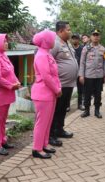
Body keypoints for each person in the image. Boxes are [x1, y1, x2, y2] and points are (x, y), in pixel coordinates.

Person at [0, 33, 21, 156]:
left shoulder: (3, 55)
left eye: (6, 41)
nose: (7, 43)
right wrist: (11, 85)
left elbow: (10, 71)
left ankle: (2, 140)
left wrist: (16, 81)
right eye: (4, 41)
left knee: (3, 119)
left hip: (6, 93)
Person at [31, 30, 62, 159]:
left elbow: (53, 74)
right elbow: (46, 76)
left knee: (47, 121)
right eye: (53, 39)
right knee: (42, 122)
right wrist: (57, 89)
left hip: (49, 93)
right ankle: (37, 149)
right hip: (43, 93)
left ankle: (44, 144)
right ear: (47, 41)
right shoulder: (41, 55)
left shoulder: (46, 54)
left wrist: (56, 88)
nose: (54, 41)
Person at [49, 21, 78, 147]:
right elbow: (47, 61)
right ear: (61, 31)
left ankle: (60, 129)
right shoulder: (54, 43)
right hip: (60, 84)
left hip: (69, 84)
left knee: (63, 109)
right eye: (68, 29)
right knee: (56, 110)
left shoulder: (67, 43)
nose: (70, 32)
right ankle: (51, 135)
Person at [79, 29, 105, 119]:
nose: (95, 37)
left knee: (98, 94)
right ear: (91, 37)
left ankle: (97, 110)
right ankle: (87, 110)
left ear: (99, 37)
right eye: (94, 35)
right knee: (87, 94)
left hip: (99, 76)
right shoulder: (86, 48)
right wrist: (81, 75)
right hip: (88, 75)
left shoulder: (103, 49)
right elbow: (82, 62)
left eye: (97, 35)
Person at [71, 33, 84, 111]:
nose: (74, 40)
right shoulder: (69, 48)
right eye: (73, 38)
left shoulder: (82, 48)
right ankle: (67, 106)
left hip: (80, 72)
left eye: (76, 38)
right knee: (69, 89)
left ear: (78, 40)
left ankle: (80, 104)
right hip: (71, 72)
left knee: (80, 89)